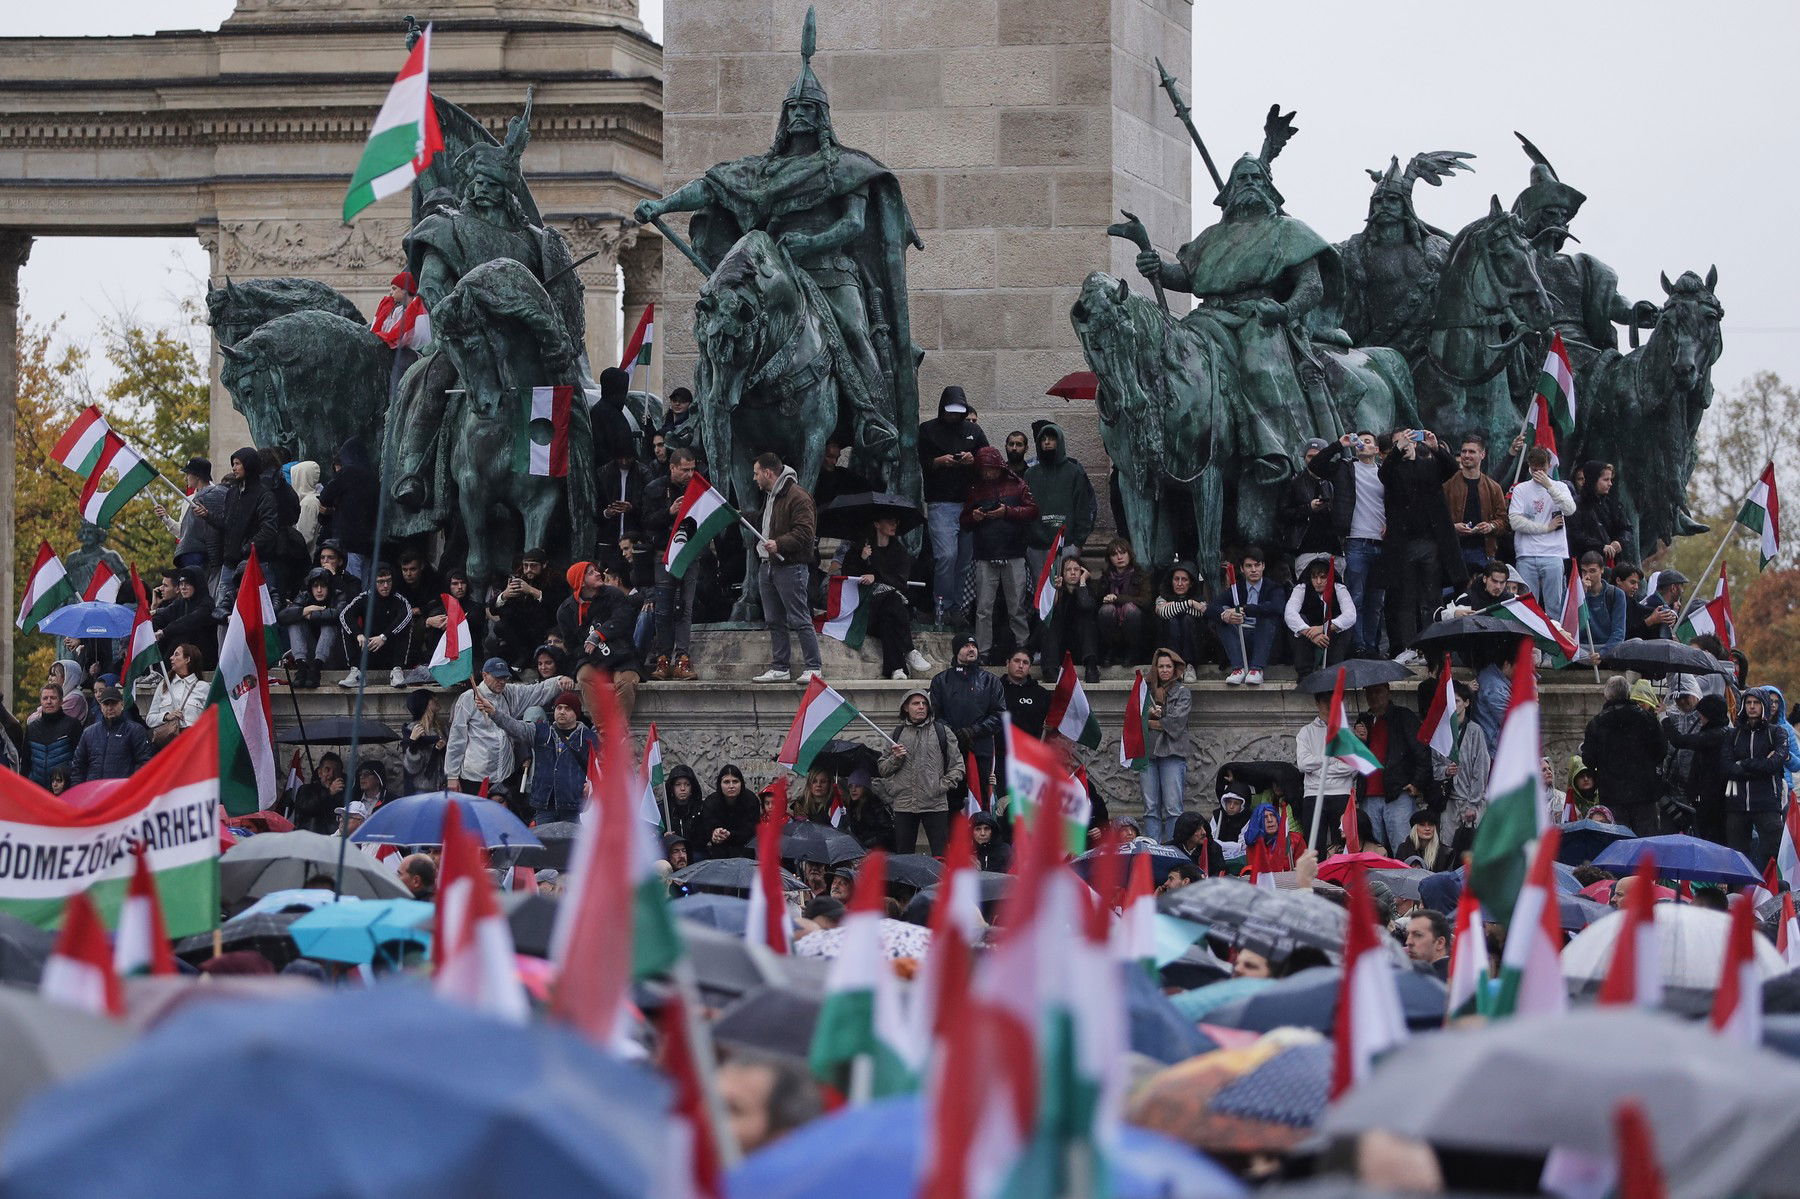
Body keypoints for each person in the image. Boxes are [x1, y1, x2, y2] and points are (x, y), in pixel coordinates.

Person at [1378, 427, 1458, 660]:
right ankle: (1408, 647)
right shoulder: (1393, 469)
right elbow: (1384, 474)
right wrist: (1397, 449)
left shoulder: (1428, 466)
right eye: (1400, 441)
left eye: (1410, 439)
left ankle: (1429, 647)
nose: (1406, 443)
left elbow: (1451, 469)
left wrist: (1435, 446)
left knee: (1431, 598)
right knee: (1406, 598)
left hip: (1430, 543)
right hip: (1404, 544)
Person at [444, 658, 572, 797]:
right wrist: (452, 776)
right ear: (485, 675)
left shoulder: (510, 692)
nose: (502, 681)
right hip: (475, 776)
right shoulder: (468, 698)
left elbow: (535, 691)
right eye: (497, 677)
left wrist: (558, 681)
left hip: (504, 775)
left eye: (505, 677)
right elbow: (457, 738)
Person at [1311, 432, 1387, 657]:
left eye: (1368, 442)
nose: (1363, 444)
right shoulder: (1344, 468)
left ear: (1376, 449)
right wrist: (1338, 445)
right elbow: (1316, 465)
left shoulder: (1384, 472)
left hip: (1381, 543)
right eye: (1359, 441)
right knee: (1356, 598)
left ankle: (1373, 647)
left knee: (1376, 601)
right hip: (1356, 541)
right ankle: (1359, 645)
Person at [961, 445, 1039, 662]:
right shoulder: (976, 488)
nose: (988, 473)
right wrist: (974, 516)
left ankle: (1023, 648)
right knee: (983, 608)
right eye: (984, 469)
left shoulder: (1017, 484)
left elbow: (1033, 510)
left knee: (1017, 607)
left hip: (1013, 552)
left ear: (998, 467)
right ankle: (983, 652)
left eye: (991, 469)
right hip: (985, 554)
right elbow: (964, 521)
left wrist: (1008, 512)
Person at [749, 452, 821, 685]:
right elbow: (764, 521)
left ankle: (814, 666)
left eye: (756, 473)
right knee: (774, 619)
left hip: (790, 567)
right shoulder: (772, 496)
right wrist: (739, 515)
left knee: (800, 617)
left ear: (768, 473)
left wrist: (779, 543)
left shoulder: (798, 496)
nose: (754, 478)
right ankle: (780, 666)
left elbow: (805, 533)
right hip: (767, 565)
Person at [918, 386, 988, 623]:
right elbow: (919, 461)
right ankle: (942, 606)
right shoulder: (928, 430)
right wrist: (939, 462)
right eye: (950, 411)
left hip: (968, 502)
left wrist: (973, 459)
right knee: (946, 556)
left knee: (964, 560)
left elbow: (988, 458)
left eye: (958, 412)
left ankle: (956, 607)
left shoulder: (973, 431)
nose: (953, 416)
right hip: (941, 503)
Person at [837, 516, 929, 680]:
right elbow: (847, 578)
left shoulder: (899, 551)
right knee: (892, 603)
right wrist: (862, 559)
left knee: (889, 612)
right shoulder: (860, 548)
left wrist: (875, 576)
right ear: (877, 524)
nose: (894, 525)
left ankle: (896, 669)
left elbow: (900, 582)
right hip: (865, 610)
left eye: (896, 521)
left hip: (888, 611)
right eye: (889, 521)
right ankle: (909, 650)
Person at [191, 446, 281, 609]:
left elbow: (268, 529)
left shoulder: (264, 495)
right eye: (233, 464)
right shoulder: (232, 493)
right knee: (222, 611)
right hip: (230, 564)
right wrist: (207, 515)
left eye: (238, 463)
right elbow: (227, 523)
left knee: (260, 611)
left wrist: (246, 548)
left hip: (255, 563)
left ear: (249, 465)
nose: (234, 468)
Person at [877, 690, 964, 856]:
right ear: (905, 708)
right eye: (916, 703)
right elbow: (882, 769)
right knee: (904, 857)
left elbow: (958, 766)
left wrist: (940, 786)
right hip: (904, 804)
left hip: (935, 803)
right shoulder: (896, 734)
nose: (921, 707)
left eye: (924, 704)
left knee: (941, 856)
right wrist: (895, 759)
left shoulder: (942, 732)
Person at [642, 446, 703, 682]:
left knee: (685, 608)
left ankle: (682, 658)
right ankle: (663, 658)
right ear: (672, 467)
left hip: (690, 553)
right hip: (663, 553)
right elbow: (647, 521)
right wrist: (669, 511)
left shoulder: (699, 489)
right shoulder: (655, 488)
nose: (689, 474)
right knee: (664, 609)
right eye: (684, 470)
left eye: (692, 469)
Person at [1581, 675, 1668, 837]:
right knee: (1646, 843)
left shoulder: (1597, 723)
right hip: (1644, 793)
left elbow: (1588, 759)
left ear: (1607, 695)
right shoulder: (1647, 718)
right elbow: (1662, 750)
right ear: (1628, 693)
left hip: (1612, 793)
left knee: (1619, 840)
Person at [1353, 682, 1428, 852]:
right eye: (1369, 692)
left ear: (1388, 692)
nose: (1373, 696)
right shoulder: (1363, 721)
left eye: (1377, 691)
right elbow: (1356, 761)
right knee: (1373, 851)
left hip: (1397, 793)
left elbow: (1422, 750)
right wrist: (1359, 742)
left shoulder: (1404, 716)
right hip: (1368, 796)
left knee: (1402, 848)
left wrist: (1417, 782)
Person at [1021, 420, 1097, 585]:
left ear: (1060, 441)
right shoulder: (1030, 474)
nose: (1047, 442)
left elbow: (1083, 508)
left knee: (1067, 591)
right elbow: (1025, 509)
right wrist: (1028, 540)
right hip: (1037, 546)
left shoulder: (1074, 471)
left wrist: (1079, 542)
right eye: (1043, 439)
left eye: (1051, 438)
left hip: (1067, 544)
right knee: (1041, 594)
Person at [929, 635, 1006, 790]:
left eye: (974, 646)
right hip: (949, 751)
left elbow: (999, 715)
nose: (971, 649)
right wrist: (954, 734)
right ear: (956, 651)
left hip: (980, 750)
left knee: (980, 797)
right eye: (965, 646)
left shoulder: (991, 681)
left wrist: (973, 731)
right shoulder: (940, 680)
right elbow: (935, 714)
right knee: (952, 798)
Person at [1507, 447, 1576, 608]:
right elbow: (1515, 522)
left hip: (1553, 553)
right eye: (1534, 469)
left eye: (1542, 469)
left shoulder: (1560, 487)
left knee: (1554, 606)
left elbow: (1570, 509)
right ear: (1529, 467)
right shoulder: (1520, 489)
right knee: (1527, 607)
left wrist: (1549, 486)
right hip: (1526, 554)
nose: (1538, 473)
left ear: (1549, 465)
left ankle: (1554, 633)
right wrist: (1546, 528)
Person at [1725, 688, 1786, 869]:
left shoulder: (1777, 733)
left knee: (1772, 854)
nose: (1752, 707)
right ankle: (1738, 894)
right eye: (1748, 703)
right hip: (1737, 804)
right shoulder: (1733, 734)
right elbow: (1727, 767)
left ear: (1764, 706)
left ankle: (1774, 894)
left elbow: (1774, 764)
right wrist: (1760, 765)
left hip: (1767, 803)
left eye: (1756, 703)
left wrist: (1743, 764)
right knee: (1737, 857)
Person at [1295, 691, 1359, 847]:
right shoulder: (1306, 732)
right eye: (1325, 701)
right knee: (1314, 847)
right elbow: (1303, 764)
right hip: (1314, 794)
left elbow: (1352, 767)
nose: (1330, 705)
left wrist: (1318, 765)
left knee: (1342, 846)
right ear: (1317, 703)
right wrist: (1330, 759)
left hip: (1341, 793)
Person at [1140, 648, 1192, 843]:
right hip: (1148, 754)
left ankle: (1173, 848)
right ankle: (1152, 849)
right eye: (1160, 666)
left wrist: (1155, 719)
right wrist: (1149, 719)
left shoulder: (1183, 692)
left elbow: (1177, 723)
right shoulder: (1145, 691)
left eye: (1168, 666)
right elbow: (1136, 721)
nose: (1164, 670)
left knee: (1173, 808)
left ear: (1175, 669)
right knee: (1150, 807)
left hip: (1172, 754)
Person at [1212, 548, 1281, 685]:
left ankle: (1256, 669)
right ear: (1242, 569)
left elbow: (1277, 607)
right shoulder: (1236, 588)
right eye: (1249, 566)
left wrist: (1245, 609)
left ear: (1263, 566)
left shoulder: (1273, 587)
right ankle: (1238, 668)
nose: (1253, 570)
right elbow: (1212, 607)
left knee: (1267, 618)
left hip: (1264, 639)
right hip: (1241, 638)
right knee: (1223, 618)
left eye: (1257, 565)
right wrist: (1227, 614)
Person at [337, 563, 412, 689]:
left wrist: (384, 637)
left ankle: (397, 671)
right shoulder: (365, 598)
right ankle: (356, 673)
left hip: (390, 650)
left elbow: (406, 615)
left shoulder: (399, 600)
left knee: (406, 624)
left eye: (388, 581)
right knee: (347, 626)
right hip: (368, 648)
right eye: (381, 582)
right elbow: (345, 615)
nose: (386, 586)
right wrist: (358, 635)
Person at [1442, 433, 1508, 575]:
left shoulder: (1493, 488)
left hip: (1483, 551)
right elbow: (1436, 518)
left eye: (1472, 451)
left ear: (1482, 455)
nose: (1466, 455)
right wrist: (1453, 527)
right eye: (1464, 451)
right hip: (1453, 549)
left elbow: (1504, 521)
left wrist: (1491, 526)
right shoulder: (1447, 486)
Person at [528, 692, 597, 820]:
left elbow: (602, 767)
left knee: (573, 841)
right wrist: (494, 713)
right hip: (545, 807)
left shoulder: (588, 738)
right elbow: (514, 727)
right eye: (559, 708)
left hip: (575, 809)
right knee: (545, 840)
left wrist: (592, 783)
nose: (562, 712)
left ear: (576, 713)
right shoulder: (542, 732)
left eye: (567, 708)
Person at [1440, 683, 1490, 856]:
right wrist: (1444, 772)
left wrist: (1473, 804)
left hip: (1469, 801)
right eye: (1451, 702)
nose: (1454, 706)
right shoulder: (1442, 731)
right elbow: (1434, 762)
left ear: (1466, 703)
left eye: (1457, 701)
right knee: (1447, 849)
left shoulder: (1475, 731)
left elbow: (1481, 769)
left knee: (1470, 849)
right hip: (1448, 801)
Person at [489, 549, 561, 667]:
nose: (528, 570)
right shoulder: (518, 578)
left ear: (544, 565)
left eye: (533, 566)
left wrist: (532, 591)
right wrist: (505, 595)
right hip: (519, 629)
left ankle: (526, 658)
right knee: (500, 627)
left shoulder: (555, 580)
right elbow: (493, 609)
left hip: (543, 626)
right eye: (525, 566)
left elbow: (557, 605)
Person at [1281, 438, 1341, 577]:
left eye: (1318, 456)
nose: (1313, 460)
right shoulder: (1294, 482)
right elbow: (1283, 513)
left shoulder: (1334, 480)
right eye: (1310, 456)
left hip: (1333, 548)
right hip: (1306, 548)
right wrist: (1308, 508)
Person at [1285, 556, 1356, 672]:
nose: (1318, 582)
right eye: (1314, 577)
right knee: (1299, 620)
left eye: (1323, 577)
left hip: (1332, 641)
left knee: (1345, 625)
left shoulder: (1339, 588)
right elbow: (1289, 614)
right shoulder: (1302, 588)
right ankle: (1305, 671)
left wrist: (1323, 628)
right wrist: (1312, 634)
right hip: (1307, 643)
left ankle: (1334, 670)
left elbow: (1351, 615)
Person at [70, 686, 151, 784]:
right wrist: (78, 792)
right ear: (101, 706)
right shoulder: (89, 733)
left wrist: (131, 788)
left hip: (122, 792)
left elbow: (145, 763)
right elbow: (78, 766)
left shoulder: (135, 731)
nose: (110, 707)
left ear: (122, 704)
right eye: (106, 704)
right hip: (94, 793)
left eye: (114, 703)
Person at [279, 567, 345, 689]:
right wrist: (305, 610)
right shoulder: (304, 596)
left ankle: (316, 670)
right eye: (315, 586)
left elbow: (338, 614)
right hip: (309, 652)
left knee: (328, 624)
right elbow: (283, 616)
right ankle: (302, 668)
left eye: (323, 586)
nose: (319, 590)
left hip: (333, 653)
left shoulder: (338, 595)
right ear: (310, 587)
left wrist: (311, 616)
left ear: (329, 587)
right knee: (295, 622)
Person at [1039, 556, 1099, 684]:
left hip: (1082, 647)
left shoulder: (1088, 591)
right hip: (1060, 647)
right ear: (1062, 573)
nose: (1073, 573)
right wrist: (1056, 590)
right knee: (1050, 624)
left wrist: (1082, 582)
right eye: (1068, 569)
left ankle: (1091, 667)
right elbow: (1049, 613)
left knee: (1086, 621)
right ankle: (1050, 670)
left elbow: (1086, 605)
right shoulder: (1058, 590)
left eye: (1077, 569)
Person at [1094, 539, 1152, 668]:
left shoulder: (1141, 575)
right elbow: (1097, 600)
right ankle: (1110, 651)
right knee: (1106, 610)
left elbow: (1145, 601)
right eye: (1114, 554)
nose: (1119, 557)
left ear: (1130, 554)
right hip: (1111, 624)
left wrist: (1118, 598)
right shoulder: (1106, 577)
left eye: (1123, 553)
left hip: (1136, 623)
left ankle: (1132, 652)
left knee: (1130, 609)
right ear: (1110, 559)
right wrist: (1105, 598)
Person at [145, 643, 207, 750]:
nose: (171, 658)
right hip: (168, 747)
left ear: (187, 659)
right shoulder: (164, 685)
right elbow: (150, 719)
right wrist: (166, 716)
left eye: (176, 655)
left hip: (194, 747)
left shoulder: (203, 687)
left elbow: (212, 721)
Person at [153, 566, 218, 669]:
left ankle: (161, 673)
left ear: (196, 585)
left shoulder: (207, 604)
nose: (183, 587)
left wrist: (164, 632)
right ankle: (150, 672)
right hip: (185, 654)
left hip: (203, 656)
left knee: (180, 635)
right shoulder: (181, 602)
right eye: (181, 584)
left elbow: (189, 621)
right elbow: (164, 615)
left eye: (187, 584)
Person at [1567, 460, 1630, 564]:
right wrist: (1601, 546)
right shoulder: (1576, 504)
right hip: (1584, 561)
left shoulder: (1612, 503)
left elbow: (1626, 528)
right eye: (1606, 480)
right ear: (1593, 480)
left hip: (1611, 561)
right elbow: (1575, 535)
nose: (1610, 484)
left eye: (1610, 479)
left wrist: (1620, 542)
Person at [1154, 563, 1209, 680]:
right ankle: (1176, 665)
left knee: (1187, 619)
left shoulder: (1199, 598)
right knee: (1172, 621)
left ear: (1191, 583)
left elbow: (1200, 612)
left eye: (1184, 580)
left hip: (1195, 646)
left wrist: (1174, 606)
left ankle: (1189, 666)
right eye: (1176, 579)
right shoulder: (1162, 597)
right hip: (1170, 643)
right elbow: (1164, 613)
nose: (1179, 584)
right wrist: (1190, 604)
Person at [1569, 551, 1628, 656]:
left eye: (1592, 571)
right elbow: (1568, 626)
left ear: (1602, 570)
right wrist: (1581, 594)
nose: (1587, 576)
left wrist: (1602, 654)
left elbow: (1618, 632)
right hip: (1581, 647)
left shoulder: (1616, 594)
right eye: (1584, 571)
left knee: (1633, 643)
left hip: (1607, 646)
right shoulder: (1572, 593)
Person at [24, 683, 83, 787]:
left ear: (61, 701)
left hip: (65, 791)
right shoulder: (31, 728)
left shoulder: (73, 725)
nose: (49, 701)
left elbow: (79, 761)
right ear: (40, 701)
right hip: (36, 790)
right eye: (45, 698)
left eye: (53, 698)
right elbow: (25, 762)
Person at [698, 765, 758, 859]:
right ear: (719, 784)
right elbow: (706, 827)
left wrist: (729, 835)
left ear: (741, 783)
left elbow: (752, 830)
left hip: (744, 849)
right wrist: (714, 833)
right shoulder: (711, 802)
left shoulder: (751, 800)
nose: (731, 786)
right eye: (726, 782)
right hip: (720, 850)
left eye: (735, 781)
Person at [398, 690, 447, 796]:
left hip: (442, 789)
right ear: (424, 702)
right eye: (432, 697)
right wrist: (413, 743)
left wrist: (439, 748)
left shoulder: (441, 728)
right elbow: (412, 768)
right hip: (422, 791)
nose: (436, 699)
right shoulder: (414, 729)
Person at [288, 753, 347, 834]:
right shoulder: (306, 790)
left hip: (334, 841)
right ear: (320, 773)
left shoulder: (344, 794)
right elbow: (307, 808)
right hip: (311, 839)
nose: (331, 775)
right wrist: (329, 792)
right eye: (327, 770)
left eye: (336, 770)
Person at [841, 767, 895, 853]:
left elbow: (886, 833)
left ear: (865, 788)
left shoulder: (875, 805)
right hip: (863, 849)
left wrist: (866, 844)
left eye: (858, 786)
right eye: (850, 786)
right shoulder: (851, 806)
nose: (853, 790)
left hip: (879, 850)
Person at [1167, 812, 1225, 876]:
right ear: (1186, 832)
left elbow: (1220, 876)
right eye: (1198, 829)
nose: (1204, 832)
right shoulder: (1170, 850)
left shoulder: (1213, 848)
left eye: (1204, 827)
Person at [664, 763, 706, 846]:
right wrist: (663, 839)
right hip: (671, 854)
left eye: (687, 784)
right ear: (672, 788)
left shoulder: (701, 808)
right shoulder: (664, 809)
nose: (682, 788)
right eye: (678, 784)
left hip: (696, 852)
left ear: (692, 787)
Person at [1404, 909, 1452, 978]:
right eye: (1407, 934)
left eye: (1418, 935)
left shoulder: (1450, 983)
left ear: (1440, 943)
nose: (1408, 942)